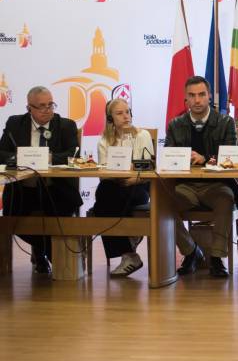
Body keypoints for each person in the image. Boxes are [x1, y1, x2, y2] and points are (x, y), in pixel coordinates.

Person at [165, 76, 238, 279]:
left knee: (226, 198)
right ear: (185, 99)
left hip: (216, 185)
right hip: (186, 186)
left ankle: (217, 258)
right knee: (162, 204)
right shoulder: (175, 124)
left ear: (209, 96)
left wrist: (205, 159)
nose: (197, 100)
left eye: (201, 94)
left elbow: (231, 158)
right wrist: (181, 158)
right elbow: (168, 159)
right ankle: (191, 251)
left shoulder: (225, 122)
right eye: (192, 95)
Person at [0, 86, 82, 274]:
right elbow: (1, 153)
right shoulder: (15, 124)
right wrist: (21, 158)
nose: (48, 110)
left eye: (51, 105)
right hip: (23, 190)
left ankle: (46, 255)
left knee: (58, 220)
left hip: (56, 190)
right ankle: (49, 254)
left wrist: (50, 158)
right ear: (29, 108)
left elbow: (74, 155)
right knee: (11, 220)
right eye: (42, 106)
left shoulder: (66, 125)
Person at [93, 98, 153, 277]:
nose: (126, 116)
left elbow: (148, 167)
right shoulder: (104, 140)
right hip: (115, 185)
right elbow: (104, 172)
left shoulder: (142, 135)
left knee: (104, 203)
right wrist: (123, 173)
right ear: (110, 118)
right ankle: (129, 250)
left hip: (139, 185)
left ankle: (129, 253)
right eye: (120, 113)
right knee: (105, 193)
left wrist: (132, 178)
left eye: (127, 112)